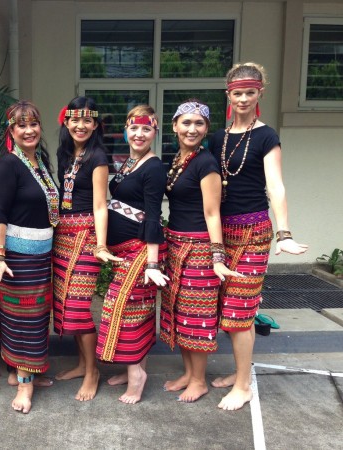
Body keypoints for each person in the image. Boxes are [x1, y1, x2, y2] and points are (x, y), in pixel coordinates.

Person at [209, 63, 308, 410]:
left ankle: (242, 386)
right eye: (237, 92)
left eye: (250, 92)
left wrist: (284, 233)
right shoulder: (217, 138)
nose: (243, 98)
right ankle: (240, 373)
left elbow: (276, 185)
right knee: (229, 310)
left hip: (254, 232)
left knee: (238, 312)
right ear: (229, 95)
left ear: (260, 93)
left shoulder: (267, 135)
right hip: (222, 233)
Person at [159, 100, 241, 403]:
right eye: (186, 123)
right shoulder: (180, 158)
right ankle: (188, 373)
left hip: (199, 248)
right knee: (179, 313)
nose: (192, 129)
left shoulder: (206, 162)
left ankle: (199, 380)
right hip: (177, 244)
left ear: (206, 128)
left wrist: (217, 256)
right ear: (175, 126)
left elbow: (212, 212)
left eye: (199, 124)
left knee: (196, 316)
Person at [0, 101, 59, 413]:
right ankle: (24, 386)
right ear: (11, 132)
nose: (29, 131)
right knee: (23, 320)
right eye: (21, 126)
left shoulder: (39, 162)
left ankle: (23, 372)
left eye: (33, 125)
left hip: (41, 257)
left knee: (37, 319)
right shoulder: (9, 164)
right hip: (17, 258)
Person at [95, 105, 169, 404]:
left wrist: (152, 263)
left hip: (141, 252)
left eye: (146, 129)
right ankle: (132, 369)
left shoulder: (153, 167)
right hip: (126, 252)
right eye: (134, 128)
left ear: (155, 132)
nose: (139, 134)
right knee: (136, 311)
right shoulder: (129, 162)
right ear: (126, 130)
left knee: (123, 311)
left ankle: (138, 375)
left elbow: (153, 215)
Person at [52, 96, 120, 402]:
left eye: (88, 121)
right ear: (66, 122)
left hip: (86, 236)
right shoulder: (65, 153)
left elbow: (99, 204)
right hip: (62, 237)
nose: (81, 126)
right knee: (66, 304)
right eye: (75, 120)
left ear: (96, 125)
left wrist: (101, 245)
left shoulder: (98, 157)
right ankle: (82, 363)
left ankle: (93, 371)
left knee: (79, 307)